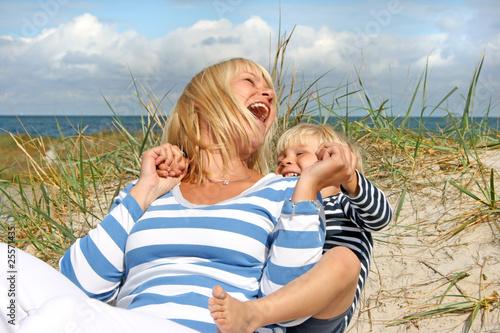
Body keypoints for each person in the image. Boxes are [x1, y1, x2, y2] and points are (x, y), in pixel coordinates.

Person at [0, 58, 344, 333]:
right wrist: (144, 191)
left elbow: (283, 303)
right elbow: (79, 284)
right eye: (250, 82)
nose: (268, 93)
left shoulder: (284, 193)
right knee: (6, 264)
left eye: (270, 89)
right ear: (204, 103)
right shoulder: (151, 193)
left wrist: (304, 192)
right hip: (126, 323)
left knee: (62, 314)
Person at [208, 123, 393, 332]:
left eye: (300, 153)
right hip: (276, 305)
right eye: (280, 160)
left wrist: (350, 178)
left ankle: (254, 314)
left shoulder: (343, 202)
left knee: (343, 259)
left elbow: (380, 218)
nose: (286, 160)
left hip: (318, 316)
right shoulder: (284, 209)